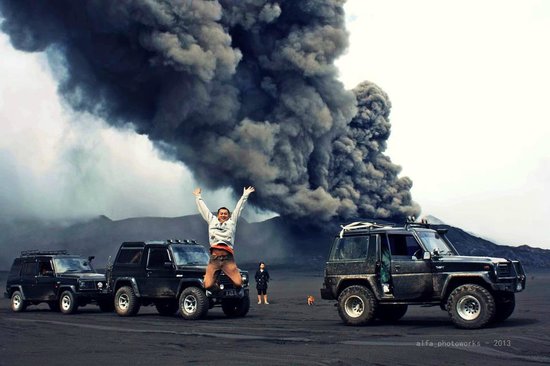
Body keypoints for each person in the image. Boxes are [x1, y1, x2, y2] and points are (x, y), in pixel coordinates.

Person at [193, 186, 255, 292]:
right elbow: (204, 210)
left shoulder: (232, 222)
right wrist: (198, 196)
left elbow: (239, 208)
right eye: (221, 213)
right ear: (217, 215)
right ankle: (218, 289)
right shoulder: (212, 220)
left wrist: (245, 195)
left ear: (229, 215)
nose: (223, 215)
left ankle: (234, 292)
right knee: (207, 286)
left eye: (225, 213)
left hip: (228, 258)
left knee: (239, 283)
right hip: (214, 258)